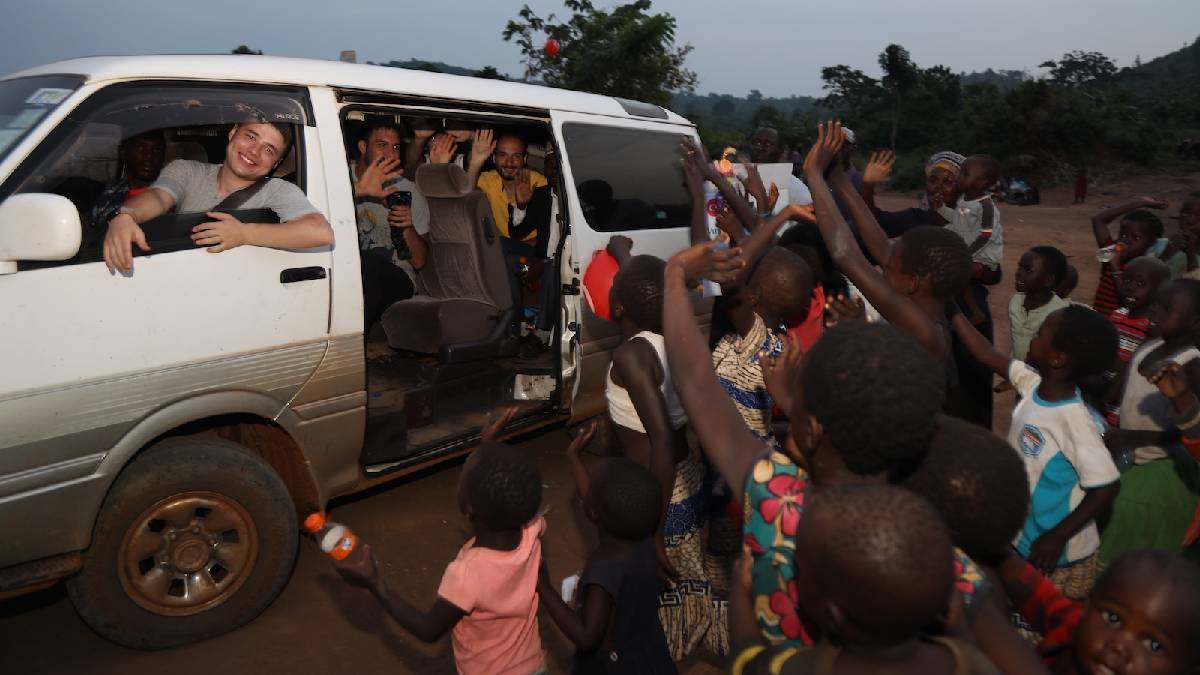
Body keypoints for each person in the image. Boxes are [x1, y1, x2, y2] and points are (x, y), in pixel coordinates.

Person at [729, 485, 1003, 675]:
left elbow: (745, 659)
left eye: (800, 569)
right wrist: (961, 630)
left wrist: (740, 591)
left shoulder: (798, 668)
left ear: (833, 615)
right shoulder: (978, 663)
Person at [600, 236, 723, 660]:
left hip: (658, 493)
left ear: (617, 308)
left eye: (616, 285)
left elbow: (661, 443)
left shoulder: (631, 357)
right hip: (686, 481)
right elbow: (645, 284)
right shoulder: (670, 338)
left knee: (660, 594)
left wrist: (652, 532)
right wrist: (622, 254)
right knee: (689, 573)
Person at [951, 302, 1121, 599]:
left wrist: (1058, 537)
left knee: (1040, 628)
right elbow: (987, 354)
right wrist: (952, 309)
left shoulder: (1075, 421)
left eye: (1041, 333)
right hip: (1025, 533)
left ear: (1058, 358)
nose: (1033, 338)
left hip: (1059, 556)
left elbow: (1107, 486)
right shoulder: (1034, 385)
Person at [334, 439, 547, 675]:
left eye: (462, 478)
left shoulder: (468, 574)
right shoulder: (532, 529)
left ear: (467, 508)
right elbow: (504, 492)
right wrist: (487, 448)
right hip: (532, 666)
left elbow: (429, 630)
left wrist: (375, 584)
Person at [805, 121, 973, 412]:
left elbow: (848, 255)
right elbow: (880, 246)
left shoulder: (922, 329)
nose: (886, 258)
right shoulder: (928, 309)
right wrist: (839, 179)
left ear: (914, 282)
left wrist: (813, 175)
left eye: (894, 260)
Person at [102, 121, 333, 275]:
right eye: (250, 136)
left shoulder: (277, 190)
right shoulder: (186, 171)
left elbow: (319, 231)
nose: (254, 151)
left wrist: (245, 234)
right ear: (233, 133)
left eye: (269, 149)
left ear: (277, 163)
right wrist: (125, 215)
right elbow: (159, 196)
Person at [536, 428, 676, 675]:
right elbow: (594, 498)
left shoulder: (604, 571)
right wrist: (573, 457)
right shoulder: (643, 541)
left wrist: (543, 587)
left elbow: (587, 636)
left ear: (593, 514)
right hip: (649, 655)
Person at [1100, 279, 1200, 566]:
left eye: (1166, 308)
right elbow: (1118, 389)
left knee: (1135, 528)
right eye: (1155, 304)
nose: (1154, 312)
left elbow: (1191, 429)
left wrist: (1134, 437)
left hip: (1163, 467)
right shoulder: (1150, 345)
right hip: (1128, 456)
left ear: (1194, 321)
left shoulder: (1190, 364)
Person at [998, 549, 1200, 674]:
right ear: (1087, 605)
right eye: (1113, 618)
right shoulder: (1073, 628)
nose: (1120, 645)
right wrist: (998, 552)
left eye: (1154, 646)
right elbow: (1038, 593)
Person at [350, 121, 431, 325]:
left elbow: (420, 261)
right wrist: (356, 191)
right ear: (363, 147)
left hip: (396, 276)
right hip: (344, 268)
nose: (391, 154)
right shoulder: (337, 179)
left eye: (396, 147)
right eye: (381, 145)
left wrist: (406, 227)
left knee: (367, 263)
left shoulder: (408, 191)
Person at [1097, 256, 1170, 428]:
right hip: (1104, 389)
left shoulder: (1154, 328)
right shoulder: (1117, 315)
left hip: (1128, 401)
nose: (1129, 287)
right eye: (1126, 279)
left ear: (1161, 291)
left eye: (1140, 284)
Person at [1087, 197, 1169, 317]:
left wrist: (1115, 267)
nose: (1126, 240)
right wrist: (1141, 202)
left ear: (1151, 242)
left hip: (1120, 326)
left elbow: (1124, 297)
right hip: (1097, 320)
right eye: (1123, 234)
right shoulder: (1112, 252)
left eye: (1135, 237)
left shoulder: (1146, 268)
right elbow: (1098, 220)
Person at [85, 130, 167, 248]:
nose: (149, 155)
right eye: (140, 148)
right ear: (123, 152)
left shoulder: (167, 200)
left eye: (156, 150)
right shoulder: (106, 193)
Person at [1010, 246, 1071, 361]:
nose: (1018, 273)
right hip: (1016, 373)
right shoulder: (1016, 301)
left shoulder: (1059, 314)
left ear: (1048, 280)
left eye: (1028, 270)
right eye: (1020, 267)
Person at [747, 126, 813, 209]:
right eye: (757, 143)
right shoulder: (737, 179)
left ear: (781, 151)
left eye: (768, 144)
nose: (760, 148)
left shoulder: (793, 186)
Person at [1160, 191, 1200, 278]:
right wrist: (1166, 253)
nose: (1190, 221)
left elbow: (1194, 288)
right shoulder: (1161, 245)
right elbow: (1148, 275)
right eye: (1186, 214)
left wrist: (1191, 255)